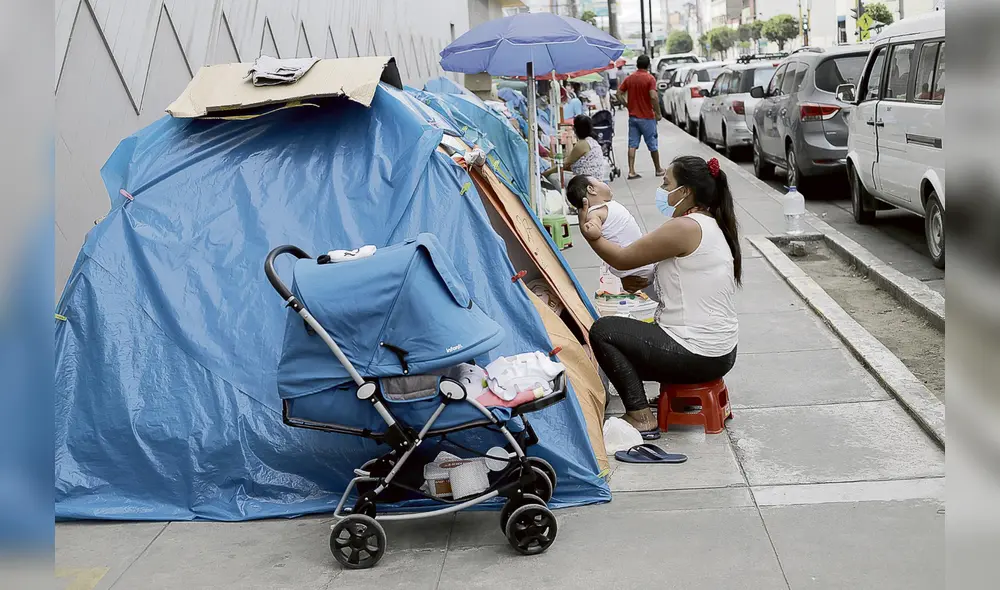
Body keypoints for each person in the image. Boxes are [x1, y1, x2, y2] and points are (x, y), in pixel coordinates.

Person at [579, 156, 741, 439]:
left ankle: (640, 415)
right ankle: (668, 397)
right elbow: (683, 284)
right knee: (638, 330)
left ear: (686, 191)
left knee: (604, 331)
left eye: (667, 183)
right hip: (721, 353)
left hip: (697, 354)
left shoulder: (685, 227)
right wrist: (643, 283)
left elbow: (622, 257)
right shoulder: (711, 223)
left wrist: (591, 235)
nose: (662, 189)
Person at [565, 174, 653, 292]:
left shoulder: (605, 207)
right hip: (635, 265)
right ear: (591, 189)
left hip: (637, 261)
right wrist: (589, 228)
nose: (604, 183)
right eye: (599, 181)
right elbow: (594, 231)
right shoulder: (595, 213)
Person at [616, 55, 663, 180]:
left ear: (637, 64)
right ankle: (658, 169)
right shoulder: (650, 78)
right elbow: (653, 96)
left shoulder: (630, 78)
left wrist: (627, 105)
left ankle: (631, 171)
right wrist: (658, 113)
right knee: (652, 144)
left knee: (632, 144)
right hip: (647, 117)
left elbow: (618, 93)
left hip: (633, 117)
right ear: (648, 65)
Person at [543, 115, 608, 182]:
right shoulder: (592, 142)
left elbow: (565, 164)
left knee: (552, 176)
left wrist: (545, 174)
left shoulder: (582, 144)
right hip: (595, 179)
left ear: (575, 129)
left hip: (585, 182)